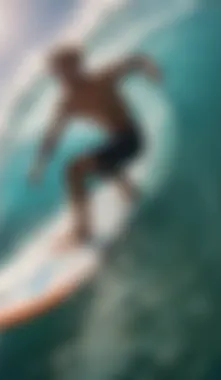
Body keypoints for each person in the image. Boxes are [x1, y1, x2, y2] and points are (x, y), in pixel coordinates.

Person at [29, 44, 161, 249]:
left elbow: (133, 60)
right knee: (103, 162)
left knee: (74, 169)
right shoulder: (67, 103)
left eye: (65, 68)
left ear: (77, 65)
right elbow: (51, 136)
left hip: (132, 138)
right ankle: (133, 196)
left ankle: (84, 232)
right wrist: (39, 165)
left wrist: (150, 68)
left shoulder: (103, 78)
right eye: (57, 72)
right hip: (116, 141)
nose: (61, 76)